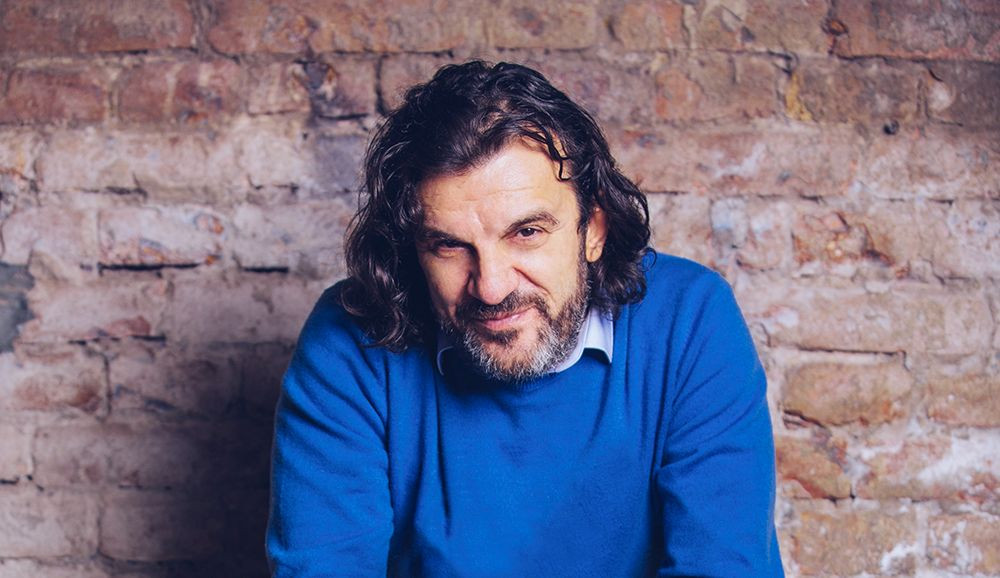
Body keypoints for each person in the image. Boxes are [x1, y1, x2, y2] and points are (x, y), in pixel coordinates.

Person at [266, 60, 783, 577]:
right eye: (449, 246)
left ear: (593, 229)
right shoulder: (349, 339)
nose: (491, 287)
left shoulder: (690, 321)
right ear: (413, 250)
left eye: (527, 233)